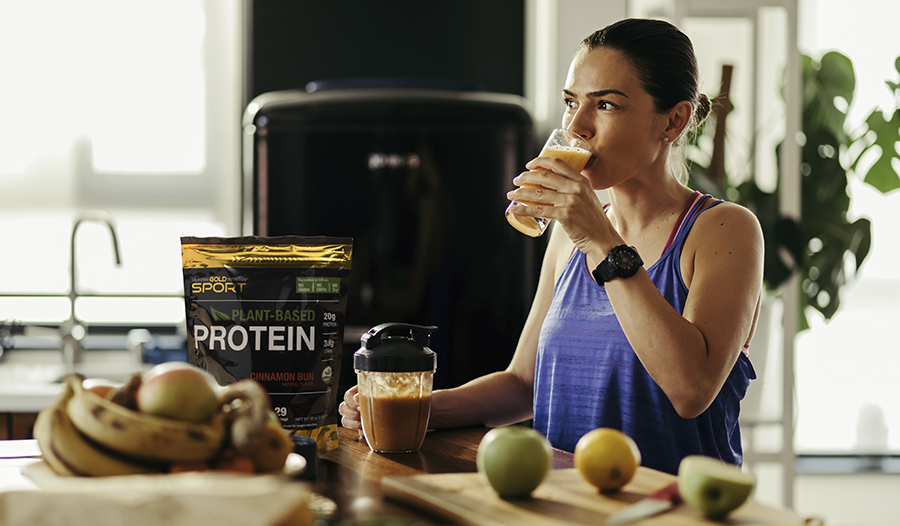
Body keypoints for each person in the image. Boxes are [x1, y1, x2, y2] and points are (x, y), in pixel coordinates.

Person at [339, 18, 764, 476]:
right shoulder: (570, 234)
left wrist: (600, 242)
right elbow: (524, 384)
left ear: (674, 120)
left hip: (672, 510)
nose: (577, 126)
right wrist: (408, 406)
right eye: (570, 103)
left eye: (605, 105)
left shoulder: (723, 230)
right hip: (565, 507)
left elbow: (690, 389)